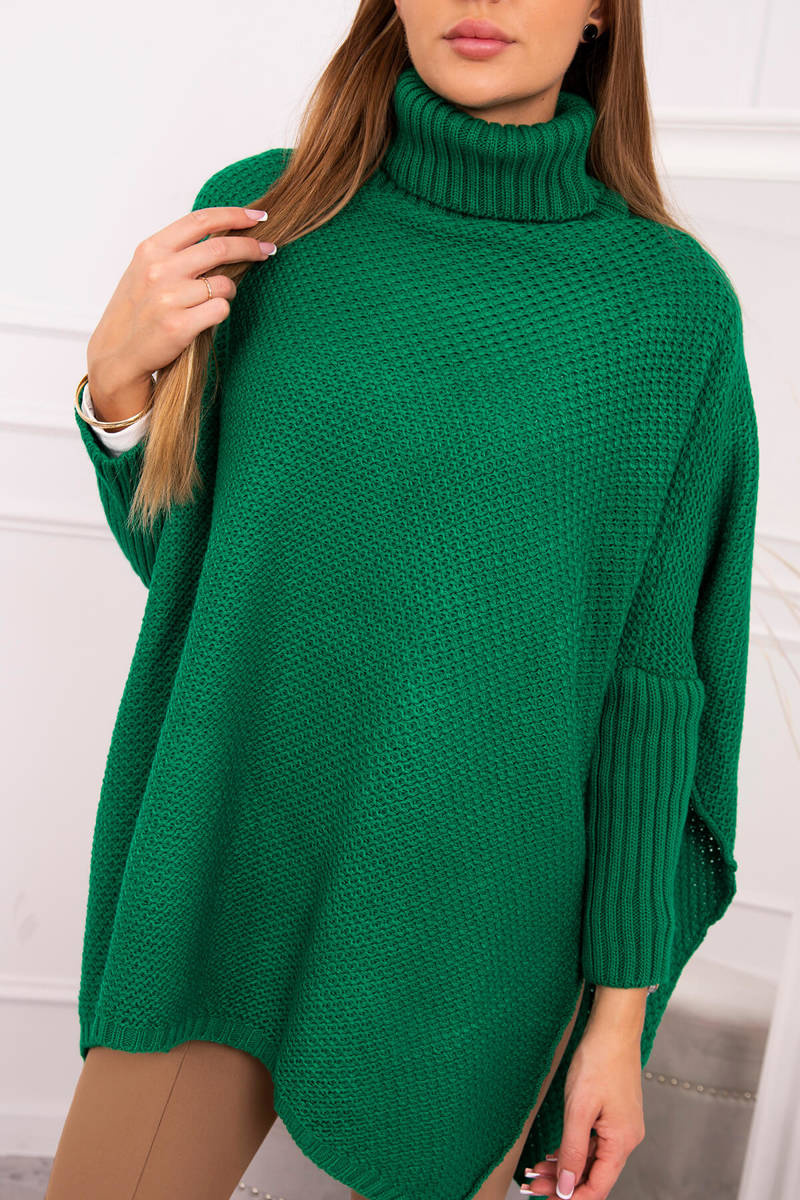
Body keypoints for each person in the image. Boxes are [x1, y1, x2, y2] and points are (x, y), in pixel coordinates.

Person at [50, 1, 760, 1199]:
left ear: (599, 11)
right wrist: (116, 387)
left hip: (478, 931)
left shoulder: (665, 312)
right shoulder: (268, 219)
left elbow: (652, 698)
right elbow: (208, 586)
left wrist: (614, 1024)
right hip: (229, 854)